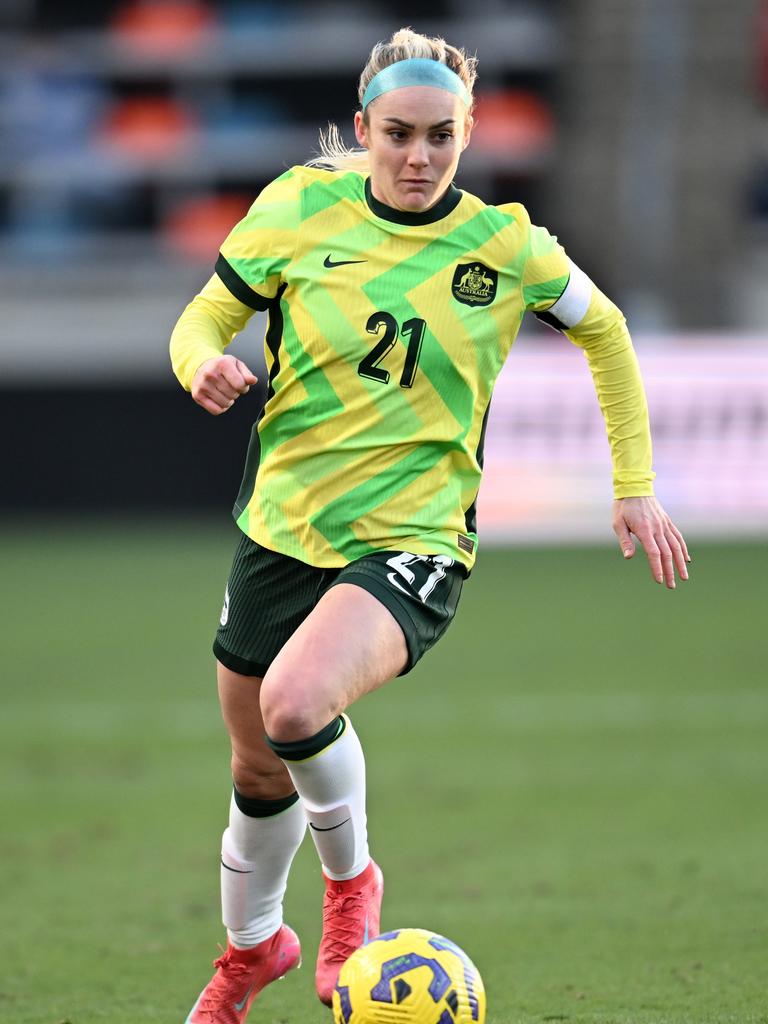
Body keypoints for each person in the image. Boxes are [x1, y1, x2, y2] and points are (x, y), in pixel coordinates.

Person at [169, 27, 690, 1024]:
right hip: (281, 525)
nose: (418, 158)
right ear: (364, 129)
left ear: (469, 133)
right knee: (254, 761)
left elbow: (606, 328)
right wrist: (200, 363)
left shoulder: (503, 245)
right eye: (399, 134)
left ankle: (353, 888)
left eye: (440, 137)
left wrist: (636, 482)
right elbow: (201, 316)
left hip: (413, 538)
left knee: (294, 703)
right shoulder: (297, 208)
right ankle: (250, 951)